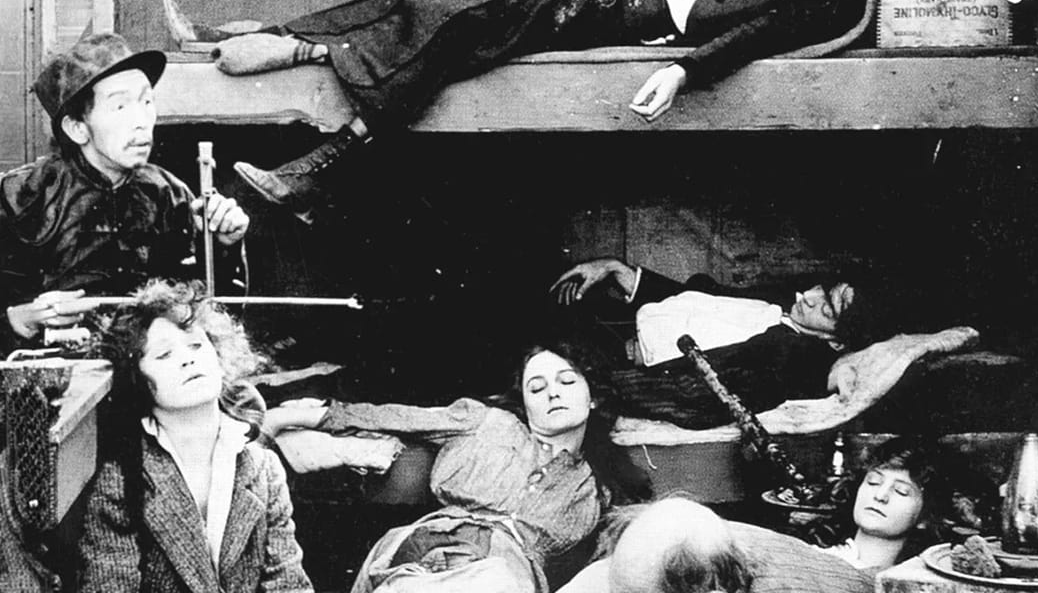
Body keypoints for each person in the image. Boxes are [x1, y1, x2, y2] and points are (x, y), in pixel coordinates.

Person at [164, 0, 928, 215]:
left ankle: (319, 143)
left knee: (452, 17)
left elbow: (762, 29)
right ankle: (265, 40)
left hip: (623, 3)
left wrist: (687, 72)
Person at [261, 339, 652, 592]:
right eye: (537, 387)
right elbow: (397, 417)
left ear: (592, 398)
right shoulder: (488, 422)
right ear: (525, 405)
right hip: (432, 547)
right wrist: (293, 417)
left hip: (506, 572)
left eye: (567, 381)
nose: (552, 393)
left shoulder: (598, 489)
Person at [1, 33, 250, 354]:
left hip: (150, 368)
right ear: (77, 128)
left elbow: (215, 315)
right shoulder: (21, 197)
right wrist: (16, 320)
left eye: (146, 102)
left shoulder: (171, 195)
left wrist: (222, 247)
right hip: (51, 368)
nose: (141, 121)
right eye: (120, 106)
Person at [76, 279, 312, 593]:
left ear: (219, 356)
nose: (188, 359)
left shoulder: (264, 469)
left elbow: (288, 584)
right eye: (164, 355)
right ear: (136, 379)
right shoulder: (121, 481)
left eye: (196, 346)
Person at [560, 436, 945, 593]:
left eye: (901, 491)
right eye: (874, 481)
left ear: (925, 516)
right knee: (622, 560)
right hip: (713, 564)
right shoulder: (812, 543)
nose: (881, 495)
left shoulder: (890, 579)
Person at [548, 256, 896, 429]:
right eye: (822, 289)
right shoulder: (778, 305)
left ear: (836, 342)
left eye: (827, 310)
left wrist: (597, 382)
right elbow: (700, 296)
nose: (809, 298)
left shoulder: (791, 352)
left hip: (611, 360)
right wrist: (616, 269)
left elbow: (694, 394)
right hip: (618, 322)